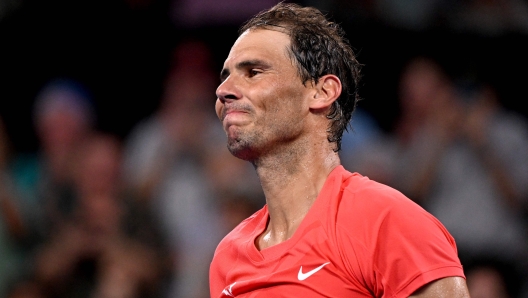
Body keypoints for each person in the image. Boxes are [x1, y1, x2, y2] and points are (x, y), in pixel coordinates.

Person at [209, 2, 470, 297]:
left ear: (321, 92)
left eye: (254, 72)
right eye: (225, 76)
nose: (223, 91)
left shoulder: (388, 222)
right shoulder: (226, 258)